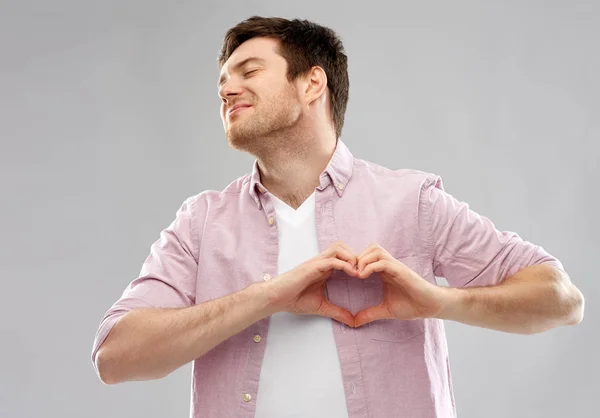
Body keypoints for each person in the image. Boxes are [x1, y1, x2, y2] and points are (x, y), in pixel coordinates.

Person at [91, 15, 584, 418]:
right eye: (222, 81)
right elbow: (114, 357)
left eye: (249, 72)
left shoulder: (411, 200)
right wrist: (265, 297)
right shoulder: (201, 221)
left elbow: (562, 300)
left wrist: (438, 301)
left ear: (312, 83)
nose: (226, 90)